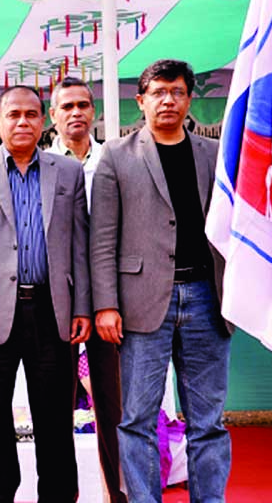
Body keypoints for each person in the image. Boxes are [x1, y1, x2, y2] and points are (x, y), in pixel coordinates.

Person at [90, 59, 231, 502]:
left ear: (189, 100)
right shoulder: (116, 155)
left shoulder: (215, 154)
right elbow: (102, 238)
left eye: (177, 92)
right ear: (141, 101)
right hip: (140, 301)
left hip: (207, 298)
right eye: (158, 92)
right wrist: (106, 304)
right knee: (137, 419)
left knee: (208, 420)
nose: (167, 100)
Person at [0, 85, 91, 502]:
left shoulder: (67, 172)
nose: (23, 121)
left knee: (54, 423)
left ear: (44, 120)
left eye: (31, 114)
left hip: (53, 310)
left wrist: (81, 305)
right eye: (14, 115)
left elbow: (79, 246)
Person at [47, 77, 127, 503]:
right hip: (55, 304)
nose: (75, 113)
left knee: (114, 410)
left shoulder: (116, 160)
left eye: (82, 105)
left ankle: (119, 494)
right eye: (66, 106)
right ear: (53, 115)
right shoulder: (39, 165)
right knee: (55, 407)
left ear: (93, 111)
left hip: (110, 302)